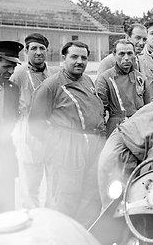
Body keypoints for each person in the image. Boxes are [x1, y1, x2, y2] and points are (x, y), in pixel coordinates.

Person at [28, 41, 106, 227]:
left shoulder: (87, 80)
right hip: (67, 147)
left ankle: (82, 240)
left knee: (91, 197)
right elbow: (35, 124)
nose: (79, 61)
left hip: (93, 145)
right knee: (64, 198)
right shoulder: (51, 85)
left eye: (84, 58)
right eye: (74, 57)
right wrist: (58, 143)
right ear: (64, 59)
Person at [10, 33, 60, 208]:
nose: (38, 52)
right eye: (34, 48)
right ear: (27, 52)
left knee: (55, 178)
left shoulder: (55, 73)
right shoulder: (19, 73)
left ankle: (52, 217)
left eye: (42, 48)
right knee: (31, 179)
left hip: (53, 128)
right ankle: (31, 218)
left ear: (47, 51)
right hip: (28, 129)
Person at [95, 39, 151, 137]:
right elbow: (99, 113)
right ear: (114, 54)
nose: (126, 58)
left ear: (134, 55)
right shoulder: (105, 79)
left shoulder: (141, 78)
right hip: (116, 128)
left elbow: (149, 108)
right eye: (121, 54)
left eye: (130, 53)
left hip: (139, 127)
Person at [0, 40, 23, 213]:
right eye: (7, 66)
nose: (11, 71)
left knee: (6, 211)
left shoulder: (13, 89)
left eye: (14, 67)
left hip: (5, 158)